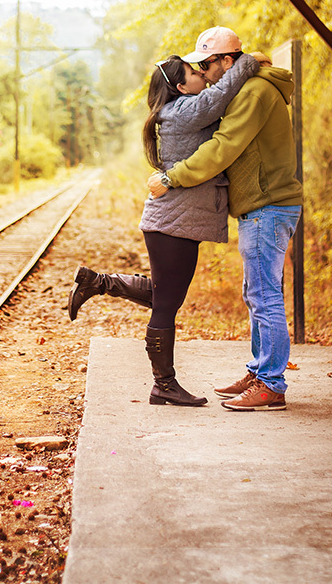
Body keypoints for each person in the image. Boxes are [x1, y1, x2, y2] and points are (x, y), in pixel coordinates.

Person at [68, 39, 260, 407]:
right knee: (166, 303)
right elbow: (219, 96)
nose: (202, 74)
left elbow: (218, 97)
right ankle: (164, 384)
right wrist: (248, 61)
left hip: (173, 222)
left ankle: (99, 282)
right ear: (180, 86)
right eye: (194, 72)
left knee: (164, 294)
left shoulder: (179, 109)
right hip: (172, 224)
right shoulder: (183, 110)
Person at [148, 26, 303, 411]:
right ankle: (259, 372)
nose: (203, 71)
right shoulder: (247, 89)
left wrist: (172, 177)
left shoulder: (253, 92)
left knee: (265, 295)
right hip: (259, 205)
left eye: (206, 62)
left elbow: (223, 147)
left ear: (226, 61)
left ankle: (271, 384)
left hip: (268, 203)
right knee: (257, 295)